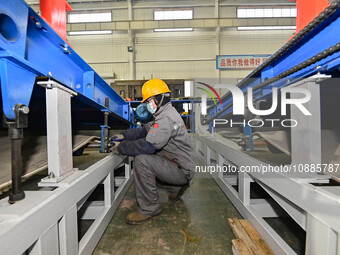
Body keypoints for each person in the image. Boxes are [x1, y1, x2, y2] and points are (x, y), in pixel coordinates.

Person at [111, 78, 195, 225]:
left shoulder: (166, 118)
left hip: (181, 169)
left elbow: (148, 146)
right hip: (179, 165)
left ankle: (149, 209)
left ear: (158, 99)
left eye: (149, 101)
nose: (148, 105)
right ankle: (176, 187)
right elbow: (144, 130)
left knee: (142, 161)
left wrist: (121, 147)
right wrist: (124, 135)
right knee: (151, 160)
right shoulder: (164, 112)